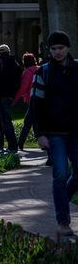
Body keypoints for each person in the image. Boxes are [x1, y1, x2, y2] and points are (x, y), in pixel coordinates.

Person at [30, 31, 78, 238]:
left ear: (68, 48)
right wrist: (40, 134)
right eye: (53, 48)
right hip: (55, 132)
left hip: (76, 131)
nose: (57, 52)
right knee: (60, 174)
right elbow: (35, 105)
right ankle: (63, 221)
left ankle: (61, 199)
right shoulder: (43, 72)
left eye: (61, 48)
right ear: (49, 50)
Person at [0, 43, 22, 152]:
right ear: (9, 52)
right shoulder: (16, 64)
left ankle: (12, 147)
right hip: (10, 96)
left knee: (6, 121)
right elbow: (19, 80)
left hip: (0, 96)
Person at [15, 52, 40, 151]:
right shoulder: (40, 69)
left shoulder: (27, 72)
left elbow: (23, 88)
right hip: (41, 99)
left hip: (32, 99)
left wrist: (14, 100)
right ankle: (21, 143)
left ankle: (20, 144)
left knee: (28, 122)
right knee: (33, 121)